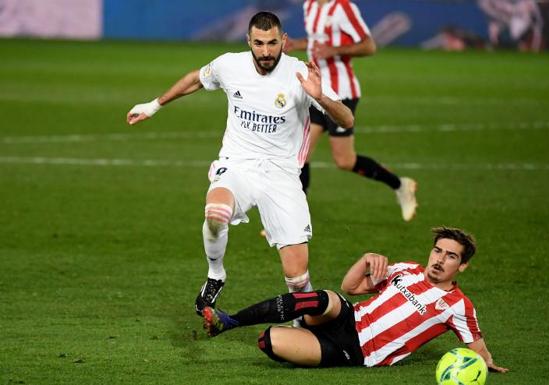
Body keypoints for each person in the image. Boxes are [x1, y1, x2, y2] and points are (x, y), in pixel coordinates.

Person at [126, 11, 354, 316]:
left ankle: (307, 330)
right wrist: (154, 106)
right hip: (238, 165)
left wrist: (320, 98)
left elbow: (346, 118)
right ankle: (216, 274)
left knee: (298, 280)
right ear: (249, 41)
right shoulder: (230, 65)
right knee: (216, 212)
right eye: (259, 43)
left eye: (272, 43)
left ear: (283, 41)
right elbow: (196, 79)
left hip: (281, 174)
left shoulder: (300, 73)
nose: (266, 51)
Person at [203, 227, 509, 371]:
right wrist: (365, 260)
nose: (440, 259)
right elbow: (351, 287)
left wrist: (485, 364)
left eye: (451, 256)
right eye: (438, 251)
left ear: (462, 266)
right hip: (348, 316)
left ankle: (303, 334)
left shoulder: (459, 306)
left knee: (267, 342)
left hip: (354, 349)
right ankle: (228, 322)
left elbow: (479, 351)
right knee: (322, 299)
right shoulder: (406, 269)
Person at [284, 0, 418, 222]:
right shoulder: (310, 5)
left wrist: (334, 50)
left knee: (344, 161)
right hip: (317, 90)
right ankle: (296, 216)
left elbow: (369, 45)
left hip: (341, 93)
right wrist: (297, 44)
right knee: (301, 152)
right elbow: (318, 42)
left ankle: (400, 185)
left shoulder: (343, 8)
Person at [478, 0, 543, 52]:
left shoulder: (528, 3)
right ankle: (494, 45)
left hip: (519, 19)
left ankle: (523, 46)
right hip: (504, 19)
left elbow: (536, 16)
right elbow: (491, 10)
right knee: (493, 28)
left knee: (515, 33)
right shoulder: (485, 3)